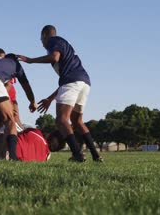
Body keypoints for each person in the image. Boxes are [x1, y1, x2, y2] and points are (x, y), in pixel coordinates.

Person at [18, 25, 103, 162]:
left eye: (41, 39)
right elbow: (67, 81)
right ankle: (96, 155)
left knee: (61, 120)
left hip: (72, 82)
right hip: (84, 82)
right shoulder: (66, 47)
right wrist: (50, 99)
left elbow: (54, 57)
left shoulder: (53, 40)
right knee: (77, 121)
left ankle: (77, 154)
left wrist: (31, 60)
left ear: (45, 35)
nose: (42, 43)